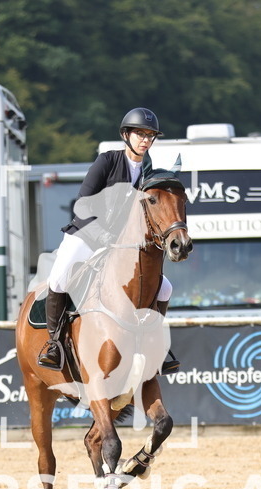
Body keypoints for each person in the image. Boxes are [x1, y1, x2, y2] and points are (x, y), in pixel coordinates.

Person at [38, 107, 179, 374]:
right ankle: (54, 344)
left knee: (165, 288)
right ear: (126, 135)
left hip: (121, 245)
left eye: (150, 135)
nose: (145, 140)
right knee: (59, 277)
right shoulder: (107, 161)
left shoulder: (149, 172)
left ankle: (155, 344)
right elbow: (82, 204)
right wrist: (101, 235)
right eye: (140, 134)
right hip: (86, 234)